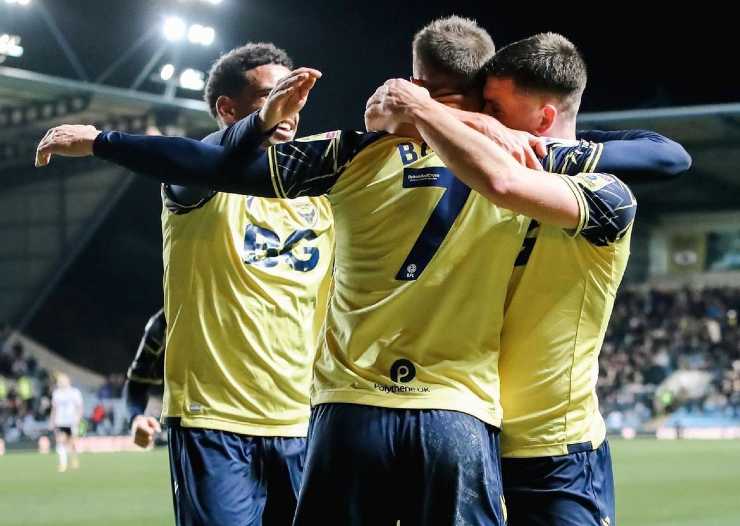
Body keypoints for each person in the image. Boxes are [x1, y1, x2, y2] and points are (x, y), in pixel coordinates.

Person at [50, 373, 83, 472]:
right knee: (60, 441)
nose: (61, 383)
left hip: (71, 421)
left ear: (68, 381)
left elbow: (79, 407)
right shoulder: (56, 393)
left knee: (71, 442)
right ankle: (62, 463)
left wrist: (78, 419)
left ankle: (74, 458)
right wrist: (52, 420)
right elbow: (54, 408)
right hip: (60, 421)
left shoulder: (74, 392)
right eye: (59, 381)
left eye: (62, 381)